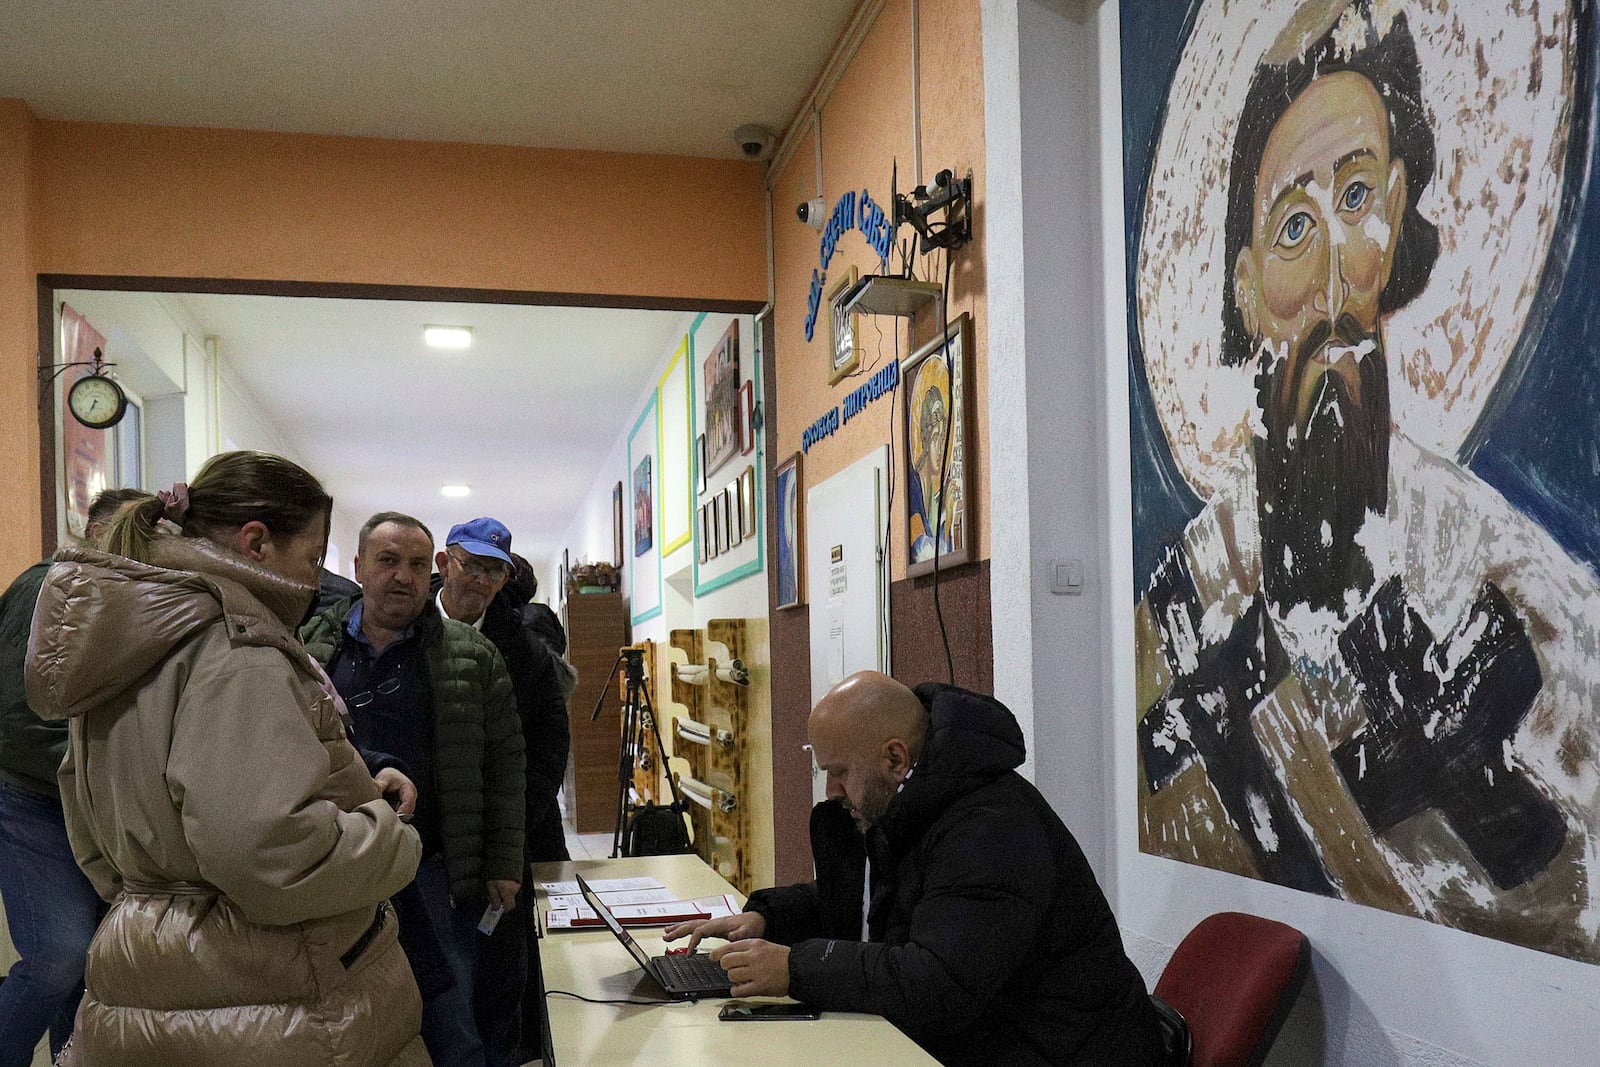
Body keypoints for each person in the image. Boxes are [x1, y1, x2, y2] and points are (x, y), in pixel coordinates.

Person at [1135, 0, 1600, 957]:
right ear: (1245, 282)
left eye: (1356, 201)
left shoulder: (1509, 579)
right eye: (1296, 224)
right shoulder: (1184, 603)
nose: (1340, 278)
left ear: (1395, 217)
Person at [23, 452, 428, 1066]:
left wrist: (164, 895)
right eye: (313, 558)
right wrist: (389, 836)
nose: (316, 580)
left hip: (147, 961)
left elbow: (90, 826)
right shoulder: (237, 649)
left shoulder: (131, 641)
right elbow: (270, 854)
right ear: (257, 542)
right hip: (267, 993)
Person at [666, 672, 1163, 1067]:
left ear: (896, 758)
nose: (831, 793)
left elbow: (935, 985)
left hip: (1063, 1051)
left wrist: (795, 968)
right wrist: (770, 919)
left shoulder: (988, 829)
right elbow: (876, 903)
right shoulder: (918, 802)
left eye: (838, 772)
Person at [302, 512, 524, 1067]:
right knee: (344, 1026)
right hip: (332, 869)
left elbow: (505, 765)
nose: (403, 577)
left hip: (432, 873)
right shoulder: (307, 649)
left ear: (433, 573)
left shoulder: (472, 657)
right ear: (358, 568)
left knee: (450, 1022)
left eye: (417, 565)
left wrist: (503, 863)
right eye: (388, 561)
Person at [0, 487, 142, 1067]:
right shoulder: (47, 588)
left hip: (90, 807)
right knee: (59, 957)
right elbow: (19, 716)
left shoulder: (134, 601)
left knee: (92, 968)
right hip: (30, 796)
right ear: (93, 531)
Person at [430, 519, 570, 1065]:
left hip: (502, 845)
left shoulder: (525, 651)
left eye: (495, 570)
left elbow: (548, 747)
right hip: (427, 843)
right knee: (436, 981)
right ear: (446, 564)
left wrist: (512, 833)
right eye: (473, 565)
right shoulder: (410, 631)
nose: (481, 580)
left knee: (498, 980)